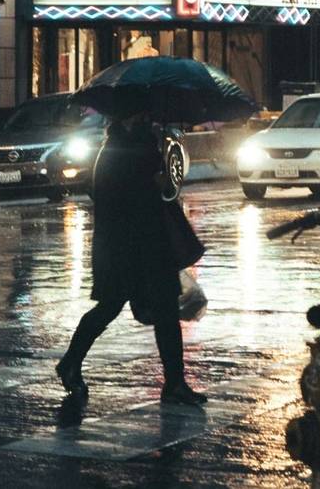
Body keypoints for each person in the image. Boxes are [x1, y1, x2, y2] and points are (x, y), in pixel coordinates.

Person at [56, 111, 207, 406]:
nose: (146, 120)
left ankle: (174, 382)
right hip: (132, 246)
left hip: (134, 245)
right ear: (130, 120)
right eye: (141, 117)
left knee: (154, 309)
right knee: (117, 307)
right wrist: (158, 177)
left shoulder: (123, 148)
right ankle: (71, 362)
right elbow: (147, 195)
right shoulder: (128, 151)